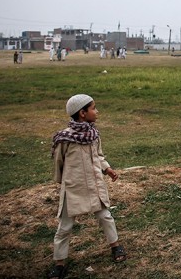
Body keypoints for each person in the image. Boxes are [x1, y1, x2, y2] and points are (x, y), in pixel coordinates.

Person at [48, 94, 126, 279]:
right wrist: (63, 183)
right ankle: (59, 263)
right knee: (65, 227)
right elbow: (59, 162)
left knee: (106, 216)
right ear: (82, 113)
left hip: (94, 186)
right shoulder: (65, 138)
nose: (97, 112)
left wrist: (107, 169)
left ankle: (115, 246)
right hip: (73, 187)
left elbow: (98, 156)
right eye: (93, 108)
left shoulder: (94, 135)